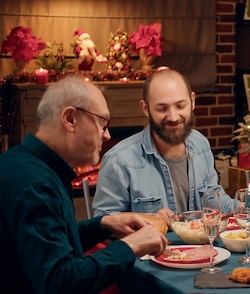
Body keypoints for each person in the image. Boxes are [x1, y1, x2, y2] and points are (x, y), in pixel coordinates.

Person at [0, 75, 168, 293]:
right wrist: (130, 246)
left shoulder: (22, 163)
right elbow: (61, 282)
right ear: (70, 119)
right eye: (102, 123)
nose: (107, 135)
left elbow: (46, 245)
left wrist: (103, 224)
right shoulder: (34, 184)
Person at [93, 69, 236, 224]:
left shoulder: (200, 143)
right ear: (145, 108)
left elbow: (212, 198)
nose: (173, 117)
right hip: (151, 248)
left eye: (180, 106)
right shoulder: (119, 160)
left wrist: (245, 207)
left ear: (192, 101)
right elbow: (103, 225)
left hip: (203, 246)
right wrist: (148, 220)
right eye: (162, 109)